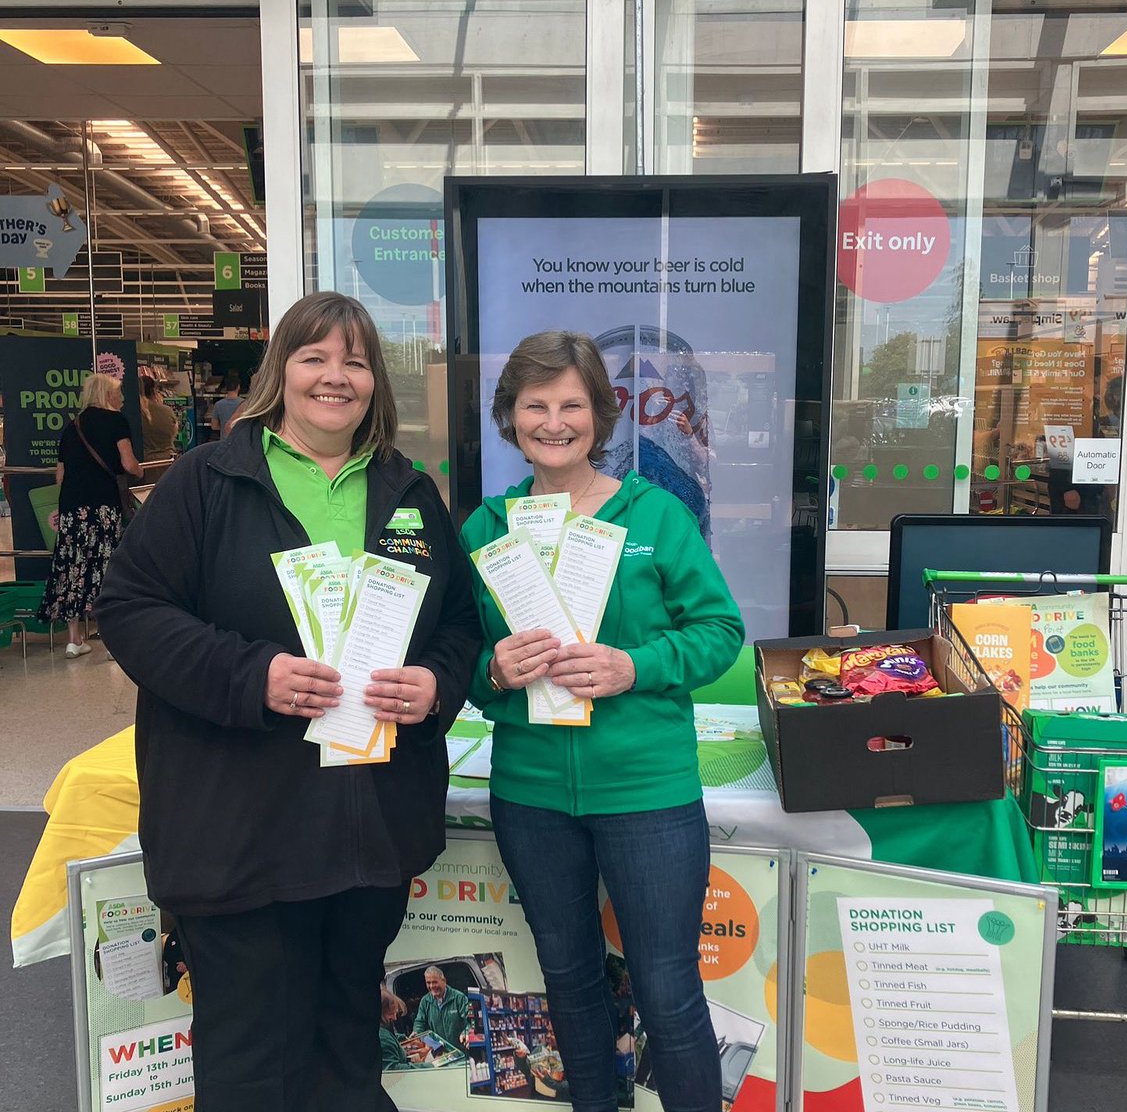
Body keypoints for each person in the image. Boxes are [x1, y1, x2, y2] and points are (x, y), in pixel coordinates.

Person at [95, 291, 482, 1112]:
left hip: (366, 833)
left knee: (348, 1052)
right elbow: (130, 610)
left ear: (376, 381)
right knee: (251, 1071)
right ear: (282, 372)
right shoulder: (210, 480)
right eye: (314, 357)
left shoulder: (407, 490)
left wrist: (438, 684)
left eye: (354, 361)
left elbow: (458, 625)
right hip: (242, 835)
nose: (334, 377)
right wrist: (252, 676)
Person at [460, 330, 744, 1112]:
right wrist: (492, 672)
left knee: (667, 992)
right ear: (509, 417)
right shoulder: (485, 530)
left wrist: (633, 666)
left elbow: (719, 632)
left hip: (645, 792)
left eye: (573, 405)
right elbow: (467, 666)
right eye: (535, 405)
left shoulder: (653, 514)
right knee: (571, 982)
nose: (554, 422)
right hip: (531, 795)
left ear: (603, 416)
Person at [38, 372, 143, 658]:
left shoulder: (73, 426)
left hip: (73, 507)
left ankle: (74, 639)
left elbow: (61, 474)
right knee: (106, 567)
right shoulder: (116, 422)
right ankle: (110, 642)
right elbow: (128, 463)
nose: (121, 398)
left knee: (73, 567)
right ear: (108, 395)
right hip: (102, 507)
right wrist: (139, 470)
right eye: (118, 393)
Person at [412, 965, 471, 1044]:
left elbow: (470, 1020)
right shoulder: (425, 1001)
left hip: (460, 1051)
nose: (432, 986)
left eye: (435, 982)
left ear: (444, 981)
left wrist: (466, 1032)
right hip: (439, 1051)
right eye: (428, 983)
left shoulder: (459, 998)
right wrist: (416, 1032)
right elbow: (420, 1022)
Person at [139, 375, 177, 463]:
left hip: (145, 462)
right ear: (154, 390)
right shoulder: (167, 410)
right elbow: (174, 433)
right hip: (168, 460)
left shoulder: (135, 413)